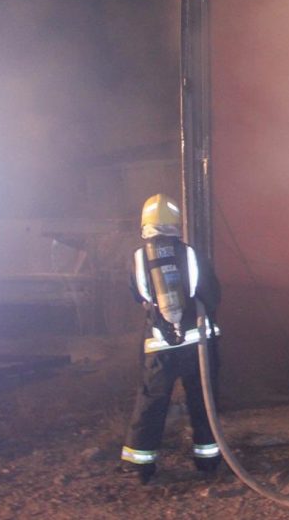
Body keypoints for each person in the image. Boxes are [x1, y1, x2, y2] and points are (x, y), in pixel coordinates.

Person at [120, 193, 222, 484]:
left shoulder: (139, 258)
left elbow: (138, 296)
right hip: (198, 345)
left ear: (145, 224)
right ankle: (208, 461)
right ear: (176, 224)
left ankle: (139, 465)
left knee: (151, 402)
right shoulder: (190, 254)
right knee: (202, 401)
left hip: (160, 345)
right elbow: (212, 295)